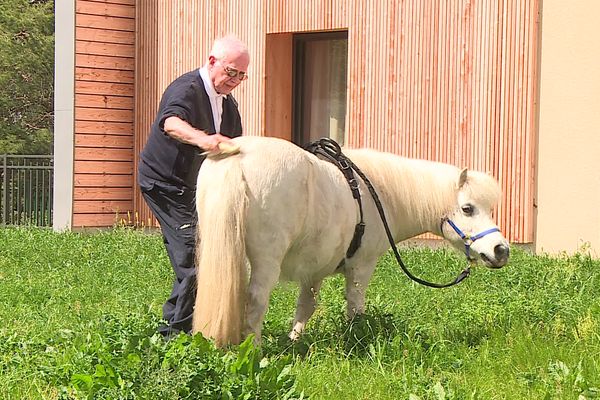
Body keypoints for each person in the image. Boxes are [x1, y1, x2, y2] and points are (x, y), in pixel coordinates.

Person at [137, 34, 250, 338]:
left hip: (198, 188)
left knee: (205, 252)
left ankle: (190, 328)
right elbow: (170, 123)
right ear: (212, 61)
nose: (235, 80)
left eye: (241, 75)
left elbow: (234, 143)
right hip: (164, 184)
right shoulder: (186, 88)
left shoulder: (229, 104)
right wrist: (203, 140)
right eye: (231, 72)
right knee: (194, 257)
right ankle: (174, 338)